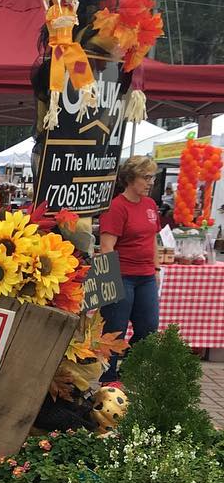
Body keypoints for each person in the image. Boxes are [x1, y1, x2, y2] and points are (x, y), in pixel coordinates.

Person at [98, 155, 161, 382]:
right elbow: (107, 247)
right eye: (146, 177)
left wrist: (156, 268)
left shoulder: (151, 205)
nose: (150, 182)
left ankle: (127, 371)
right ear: (131, 178)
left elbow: (153, 237)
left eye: (152, 177)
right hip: (122, 275)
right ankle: (108, 378)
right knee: (115, 330)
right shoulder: (116, 207)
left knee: (149, 328)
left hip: (145, 276)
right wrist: (110, 282)